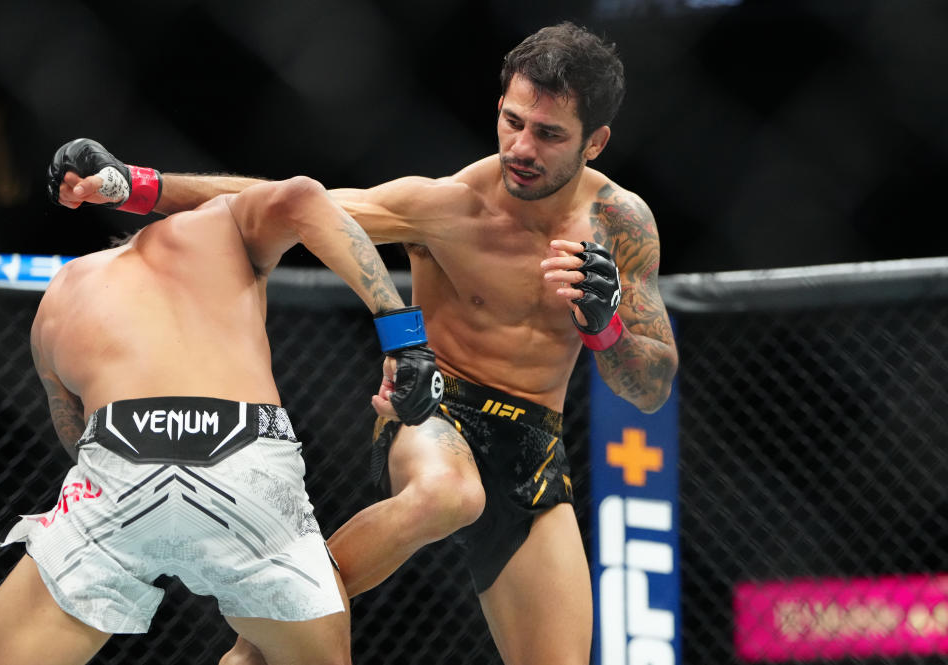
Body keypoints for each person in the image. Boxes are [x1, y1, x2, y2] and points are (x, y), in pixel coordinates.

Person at [49, 21, 678, 665]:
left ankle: (265, 641)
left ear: (594, 142)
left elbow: (651, 389)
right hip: (434, 408)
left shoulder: (619, 224)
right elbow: (283, 204)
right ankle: (263, 637)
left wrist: (605, 324)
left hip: (535, 444)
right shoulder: (447, 206)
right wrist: (137, 184)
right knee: (450, 496)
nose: (521, 146)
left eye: (548, 134)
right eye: (512, 121)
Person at [0, 138, 444, 665]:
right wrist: (404, 337)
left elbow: (74, 431)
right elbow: (299, 196)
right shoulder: (213, 227)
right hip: (244, 457)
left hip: (121, 456)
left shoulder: (64, 287)